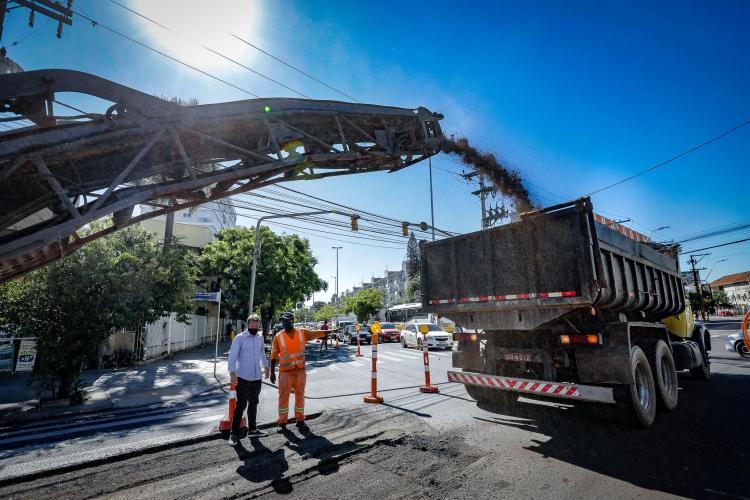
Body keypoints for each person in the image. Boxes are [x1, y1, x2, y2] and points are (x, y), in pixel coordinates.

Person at [269, 311, 335, 432]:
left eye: (286, 321)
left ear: (292, 321)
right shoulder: (278, 336)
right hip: (285, 373)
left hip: (300, 372)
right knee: (283, 398)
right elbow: (273, 355)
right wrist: (272, 372)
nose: (283, 323)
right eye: (282, 321)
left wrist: (330, 331)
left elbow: (316, 333)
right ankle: (282, 422)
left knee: (300, 396)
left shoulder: (302, 333)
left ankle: (300, 420)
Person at [227, 314, 269, 445]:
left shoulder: (260, 338)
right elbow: (232, 357)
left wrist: (266, 367)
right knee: (241, 405)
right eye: (252, 325)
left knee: (254, 403)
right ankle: (233, 433)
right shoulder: (240, 338)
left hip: (257, 378)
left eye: (257, 326)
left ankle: (253, 429)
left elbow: (262, 354)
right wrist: (232, 374)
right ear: (247, 325)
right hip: (243, 377)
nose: (255, 327)